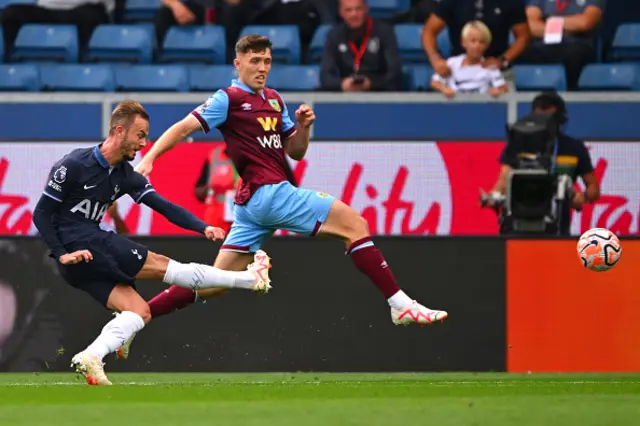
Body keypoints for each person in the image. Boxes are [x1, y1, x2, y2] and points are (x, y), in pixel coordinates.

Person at [127, 34, 448, 360]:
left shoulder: (275, 100)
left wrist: (302, 126)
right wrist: (151, 158)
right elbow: (183, 127)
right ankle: (399, 303)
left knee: (216, 283)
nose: (262, 67)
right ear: (238, 64)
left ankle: (134, 318)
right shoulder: (229, 98)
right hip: (268, 194)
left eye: (266, 61)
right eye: (254, 61)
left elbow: (295, 151)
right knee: (355, 224)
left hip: (253, 205)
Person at [32, 100, 272, 386]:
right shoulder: (73, 165)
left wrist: (203, 226)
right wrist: (61, 253)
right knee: (163, 266)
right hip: (82, 243)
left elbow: (163, 206)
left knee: (139, 311)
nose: (144, 144)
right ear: (119, 131)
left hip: (80, 260)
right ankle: (249, 280)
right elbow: (41, 213)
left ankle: (92, 356)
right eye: (140, 135)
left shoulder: (124, 175)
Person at [488, 91, 600, 235]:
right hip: (517, 220)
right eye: (539, 116)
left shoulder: (574, 148)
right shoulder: (518, 144)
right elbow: (504, 177)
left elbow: (593, 188)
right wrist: (493, 196)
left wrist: (583, 197)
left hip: (556, 223)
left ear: (559, 118)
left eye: (549, 117)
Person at [422, 0, 530, 78]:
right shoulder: (453, 2)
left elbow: (523, 37)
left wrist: (503, 60)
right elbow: (429, 31)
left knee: (506, 107)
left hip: (497, 70)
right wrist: (435, 60)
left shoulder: (511, 2)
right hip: (458, 71)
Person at [320, 0, 403, 92]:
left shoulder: (384, 32)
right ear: (341, 13)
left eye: (358, 9)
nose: (354, 14)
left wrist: (372, 84)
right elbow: (325, 75)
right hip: (344, 93)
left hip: (378, 92)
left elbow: (394, 72)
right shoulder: (334, 35)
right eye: (348, 10)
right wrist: (342, 84)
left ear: (366, 9)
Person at [431, 21, 508, 98]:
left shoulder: (490, 67)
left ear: (487, 46)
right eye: (473, 41)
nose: (477, 46)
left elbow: (503, 88)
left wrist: (498, 91)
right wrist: (444, 89)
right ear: (464, 42)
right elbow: (435, 82)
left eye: (482, 42)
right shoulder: (452, 63)